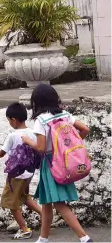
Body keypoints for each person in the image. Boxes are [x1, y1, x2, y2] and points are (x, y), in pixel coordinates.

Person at [21, 84, 92, 243]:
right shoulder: (65, 115)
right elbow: (85, 129)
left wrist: (27, 141)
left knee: (59, 204)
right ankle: (43, 239)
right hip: (65, 162)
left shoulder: (41, 120)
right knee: (47, 203)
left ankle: (84, 238)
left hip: (51, 164)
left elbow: (40, 147)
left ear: (36, 101)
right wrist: (70, 147)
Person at [0, 102, 42, 240]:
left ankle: (24, 229)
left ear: (13, 119)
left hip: (16, 174)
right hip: (29, 173)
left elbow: (1, 154)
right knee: (24, 197)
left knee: (11, 202)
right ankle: (46, 215)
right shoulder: (33, 133)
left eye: (8, 120)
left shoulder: (13, 136)